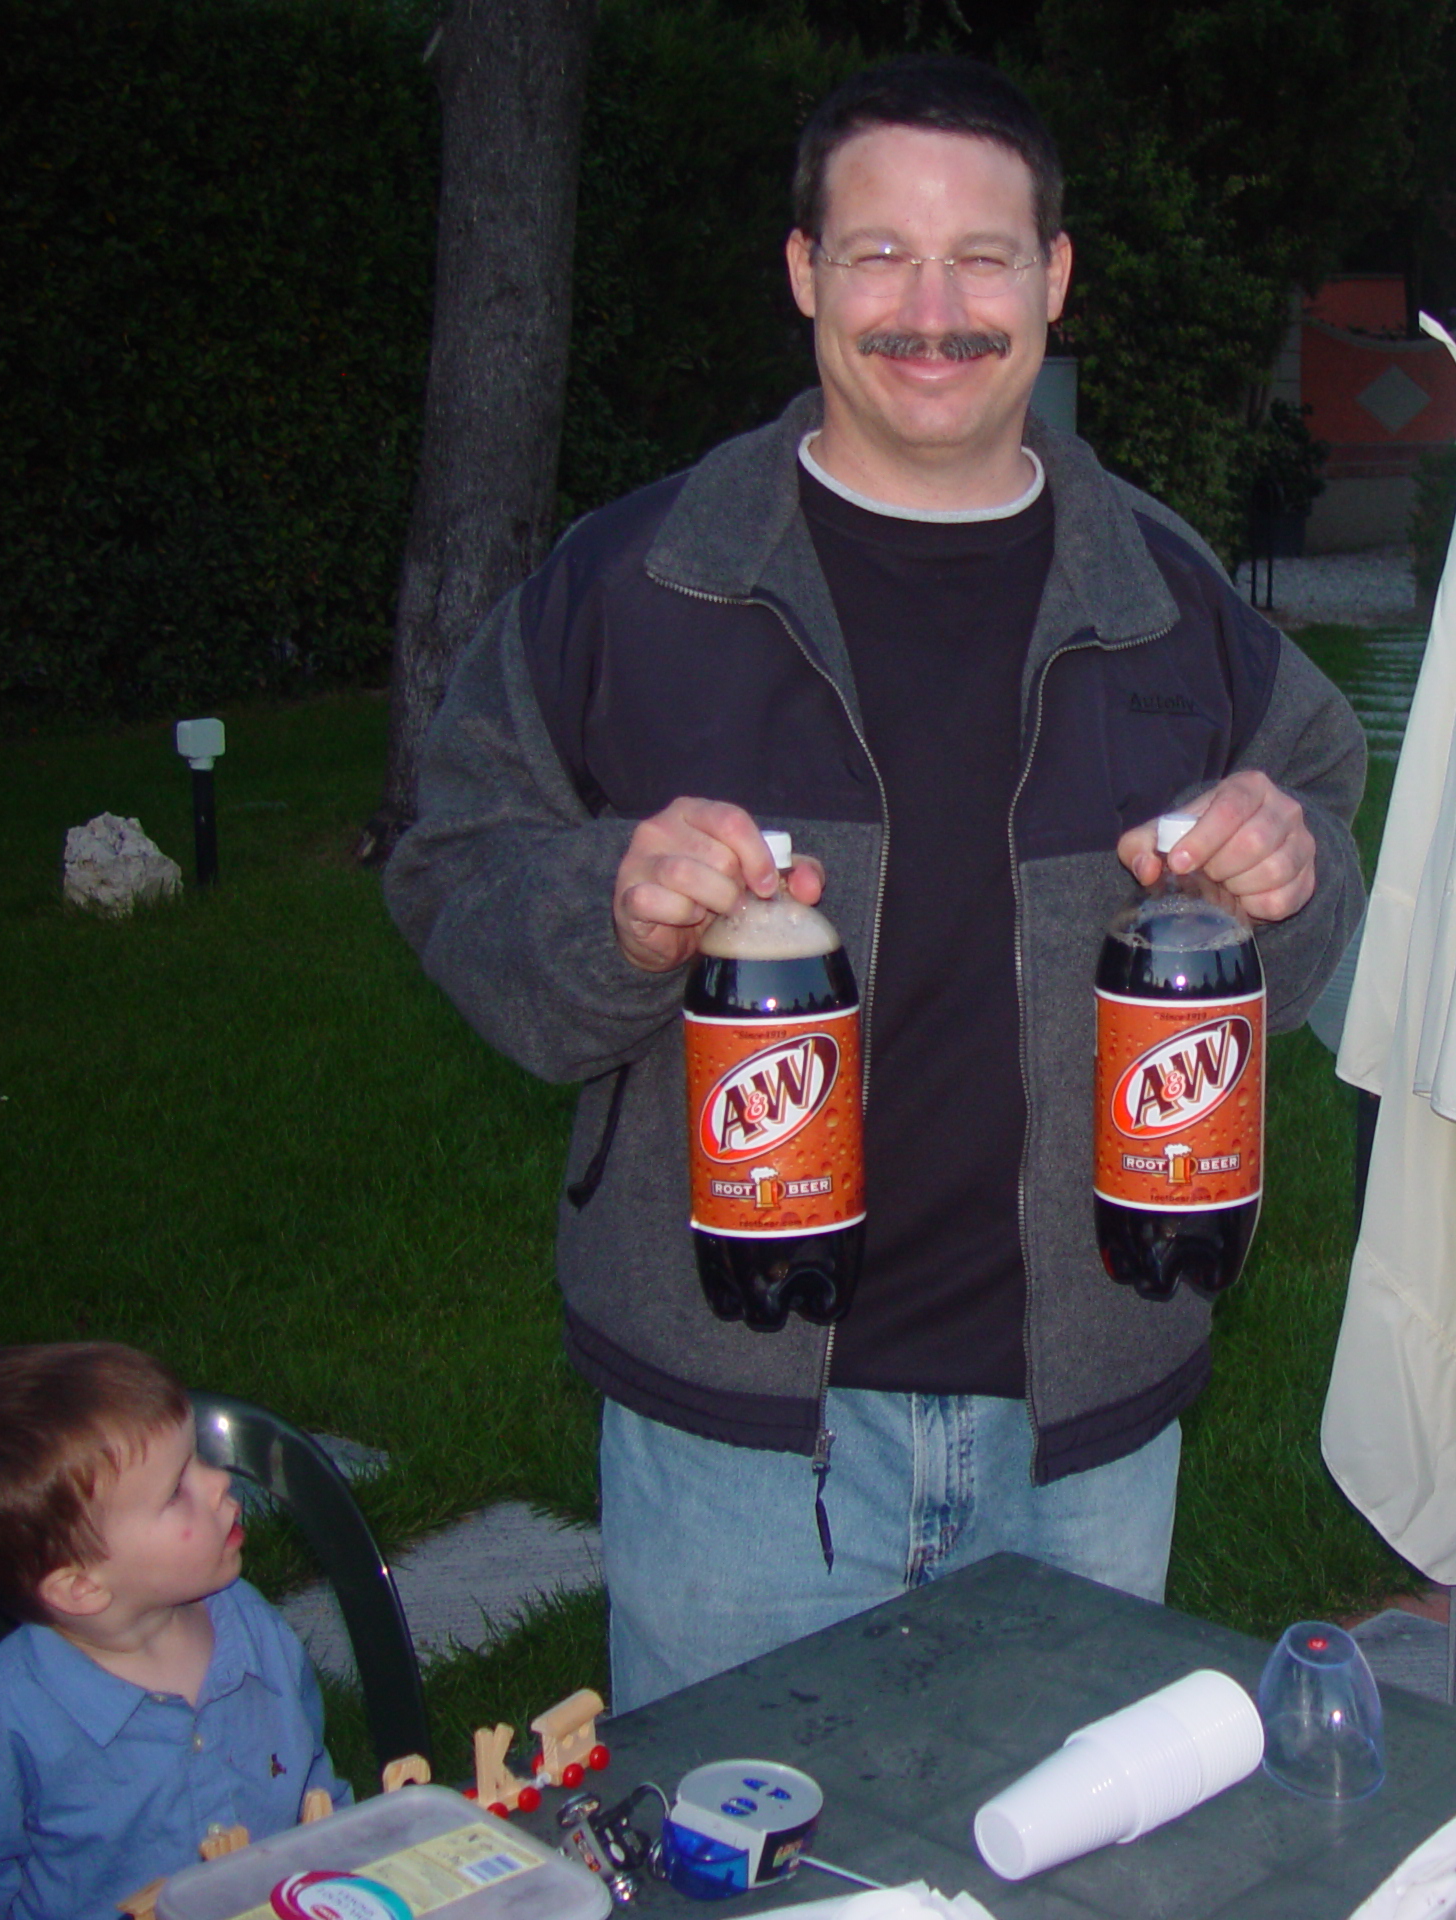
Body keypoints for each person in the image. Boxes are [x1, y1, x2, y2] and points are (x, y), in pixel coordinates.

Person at [383, 53, 1365, 1710]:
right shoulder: (633, 582)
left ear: (1054, 280)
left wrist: (1295, 865)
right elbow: (454, 856)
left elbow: (1324, 819)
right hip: (736, 1430)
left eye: (983, 256)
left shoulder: (1173, 592)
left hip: (1091, 1424)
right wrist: (606, 913)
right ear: (802, 275)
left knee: (1062, 1871)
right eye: (878, 254)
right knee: (745, 1870)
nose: (934, 309)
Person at [0, 1343, 351, 1918]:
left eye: (200, 1457)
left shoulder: (249, 1622)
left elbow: (314, 1787)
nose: (217, 1484)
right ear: (81, 1587)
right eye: (175, 1491)